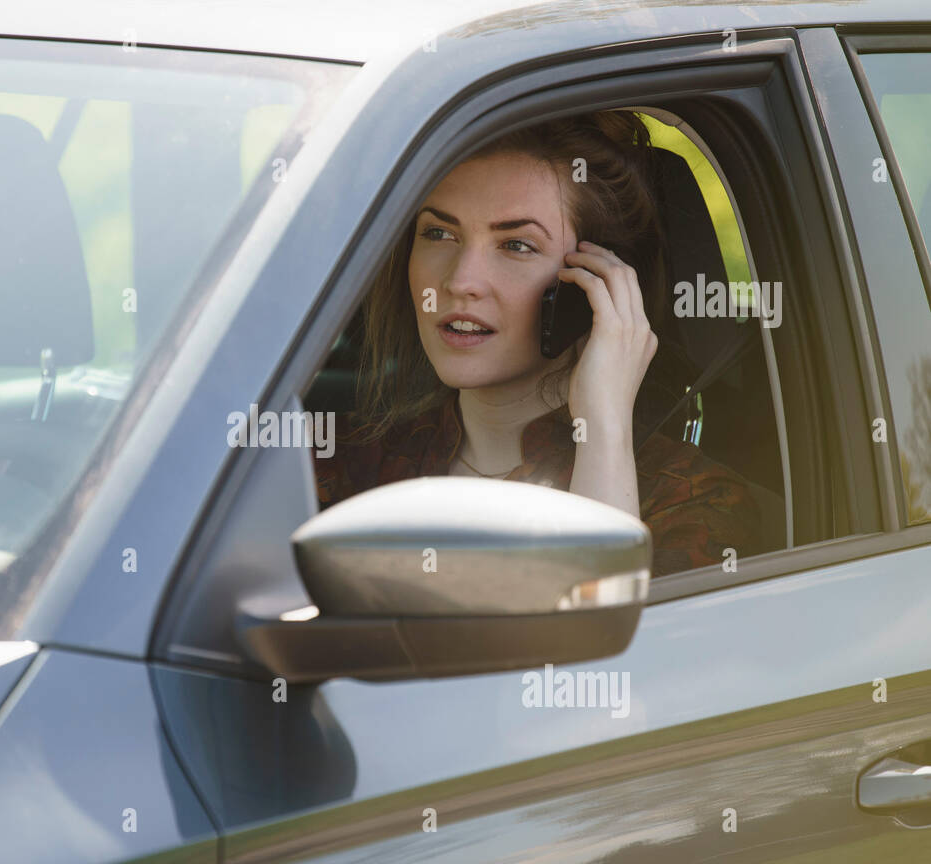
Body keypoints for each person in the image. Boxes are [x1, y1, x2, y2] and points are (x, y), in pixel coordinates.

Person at [314, 111, 759, 577]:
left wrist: (602, 431)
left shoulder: (691, 500)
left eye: (517, 245)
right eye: (439, 233)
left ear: (596, 286)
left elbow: (602, 636)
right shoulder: (341, 466)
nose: (460, 281)